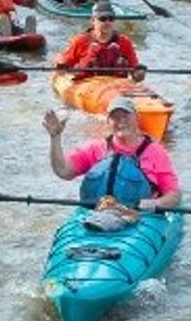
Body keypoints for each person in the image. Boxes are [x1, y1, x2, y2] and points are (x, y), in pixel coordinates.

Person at [44, 97, 181, 226]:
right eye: (115, 117)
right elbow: (63, 171)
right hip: (97, 215)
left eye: (126, 116)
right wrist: (55, 138)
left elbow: (174, 195)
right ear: (108, 122)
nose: (121, 121)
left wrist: (153, 204)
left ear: (137, 118)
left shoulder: (156, 153)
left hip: (139, 217)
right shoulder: (95, 148)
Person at [56, 1, 143, 77]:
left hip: (116, 84)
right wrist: (62, 67)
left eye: (111, 19)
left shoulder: (125, 42)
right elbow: (63, 62)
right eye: (103, 19)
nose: (107, 22)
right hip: (88, 84)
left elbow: (135, 68)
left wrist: (139, 74)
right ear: (93, 20)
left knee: (121, 62)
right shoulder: (80, 41)